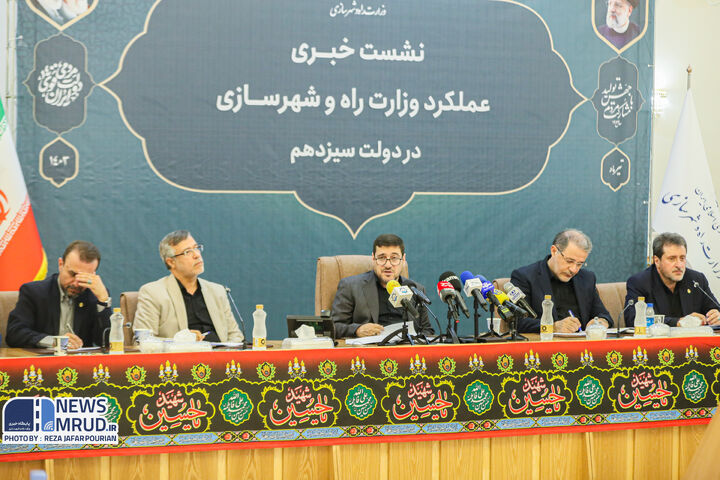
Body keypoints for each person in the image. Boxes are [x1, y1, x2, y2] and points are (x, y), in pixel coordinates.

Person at [134, 230, 244, 342]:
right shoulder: (153, 293)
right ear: (171, 262)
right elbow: (142, 340)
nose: (197, 255)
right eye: (187, 252)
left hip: (220, 352)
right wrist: (180, 341)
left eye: (196, 248)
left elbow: (236, 336)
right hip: (181, 353)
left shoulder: (217, 291)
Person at [6, 240, 111, 349]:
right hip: (42, 358)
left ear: (93, 274)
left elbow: (107, 342)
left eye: (84, 277)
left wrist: (103, 301)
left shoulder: (94, 295)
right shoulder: (34, 292)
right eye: (72, 274)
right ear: (61, 264)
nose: (76, 283)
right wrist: (55, 341)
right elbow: (14, 334)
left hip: (80, 359)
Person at [331, 234, 433, 338]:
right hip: (370, 346)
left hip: (405, 346)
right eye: (381, 258)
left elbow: (427, 330)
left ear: (403, 259)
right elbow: (333, 327)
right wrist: (357, 330)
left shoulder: (415, 289)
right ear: (373, 258)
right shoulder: (350, 286)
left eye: (394, 258)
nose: (388, 265)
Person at [510, 229, 612, 333]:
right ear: (554, 251)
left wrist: (600, 322)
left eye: (580, 264)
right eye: (569, 261)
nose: (574, 269)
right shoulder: (525, 277)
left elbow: (603, 315)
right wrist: (553, 327)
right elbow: (517, 321)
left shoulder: (587, 278)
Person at [624, 233, 720, 326]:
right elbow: (632, 319)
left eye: (682, 258)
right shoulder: (639, 282)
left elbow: (715, 309)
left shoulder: (696, 280)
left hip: (693, 337)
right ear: (657, 261)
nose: (679, 265)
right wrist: (678, 322)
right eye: (672, 259)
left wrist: (716, 316)